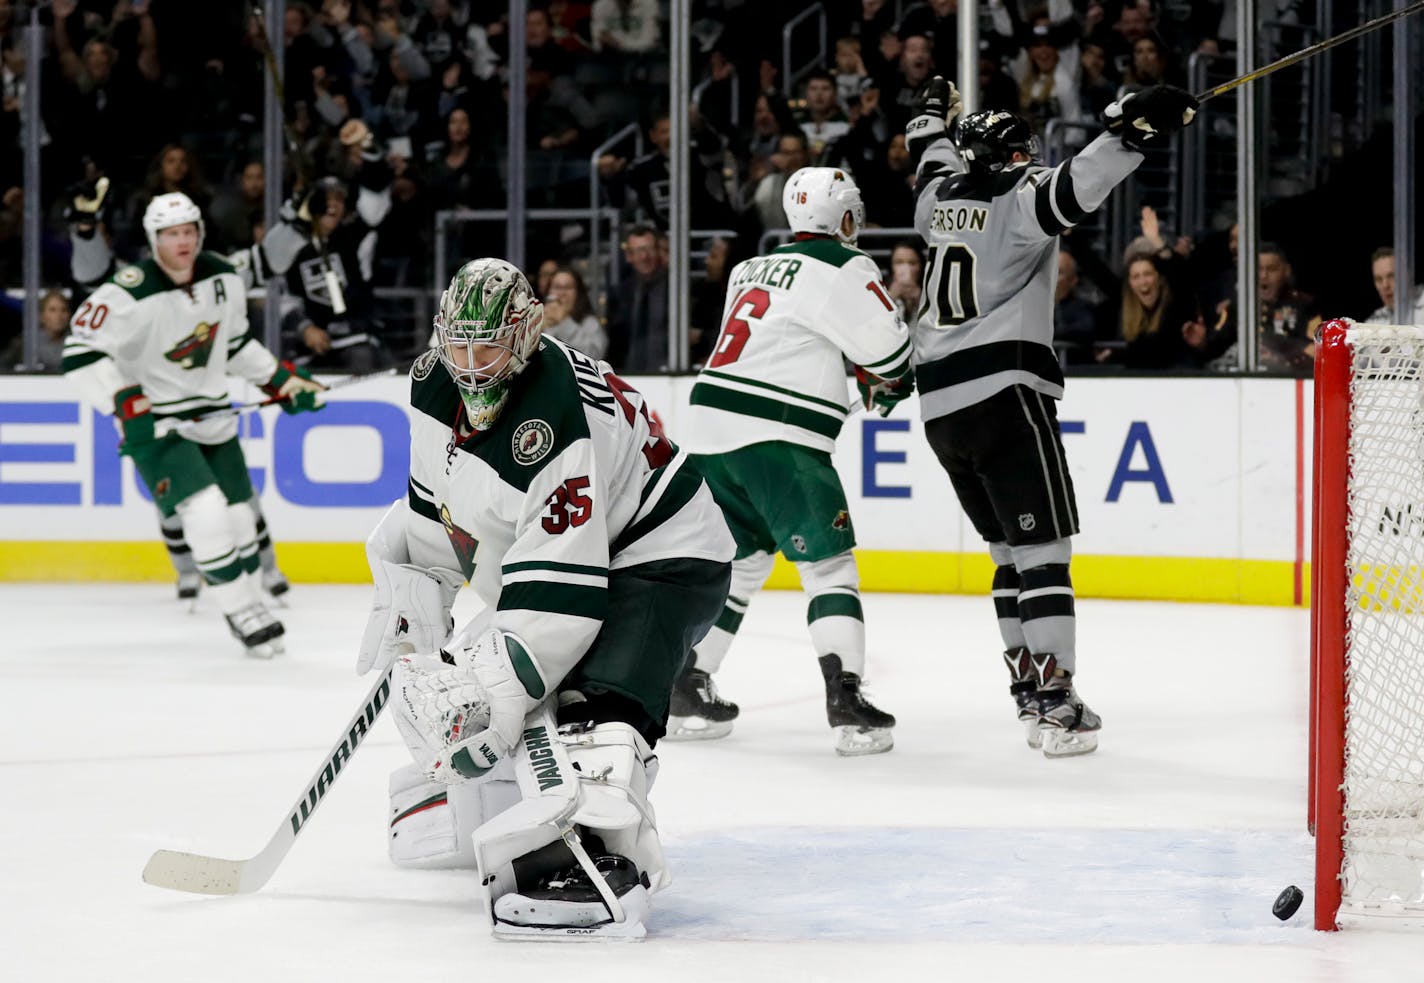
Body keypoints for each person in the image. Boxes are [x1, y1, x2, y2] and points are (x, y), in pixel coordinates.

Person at [359, 257, 733, 938]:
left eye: (490, 345)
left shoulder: (556, 416)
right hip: (589, 550)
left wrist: (500, 698)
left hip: (665, 554)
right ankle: (477, 805)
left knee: (592, 705)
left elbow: (562, 596)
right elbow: (434, 506)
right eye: (460, 345)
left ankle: (599, 858)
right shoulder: (429, 380)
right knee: (475, 678)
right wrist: (418, 625)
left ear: (527, 334)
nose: (472, 366)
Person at [904, 77, 1199, 756]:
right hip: (1003, 392)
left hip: (940, 406)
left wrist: (927, 114)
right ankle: (1057, 702)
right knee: (1044, 554)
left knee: (1008, 553)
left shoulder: (935, 201)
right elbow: (1078, 185)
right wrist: (1132, 131)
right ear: (1011, 157)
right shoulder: (1019, 197)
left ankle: (1029, 691)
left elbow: (929, 152)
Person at [675, 167, 912, 755]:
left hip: (708, 428)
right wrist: (892, 376)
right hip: (777, 435)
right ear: (848, 218)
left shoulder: (747, 267)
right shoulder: (847, 266)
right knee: (828, 571)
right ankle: (846, 699)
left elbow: (797, 337)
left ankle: (685, 682)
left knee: (743, 563)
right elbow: (891, 353)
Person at [61, 193, 327, 657]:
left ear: (199, 233)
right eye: (170, 234)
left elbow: (235, 343)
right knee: (205, 513)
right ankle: (242, 611)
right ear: (153, 240)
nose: (181, 242)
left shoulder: (223, 275)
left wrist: (281, 382)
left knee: (242, 518)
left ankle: (250, 600)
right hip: (157, 425)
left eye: (188, 232)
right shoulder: (127, 291)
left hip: (213, 417)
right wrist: (125, 403)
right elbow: (80, 354)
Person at [541, 265, 607, 358]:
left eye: (568, 287)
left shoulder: (590, 323)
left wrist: (564, 321)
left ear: (578, 293)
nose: (562, 293)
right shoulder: (538, 319)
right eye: (557, 287)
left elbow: (595, 356)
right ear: (549, 291)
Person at [1364, 247, 1424, 324]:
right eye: (1379, 279)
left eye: (1392, 276)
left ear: (1409, 275)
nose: (1385, 285)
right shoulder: (1374, 322)